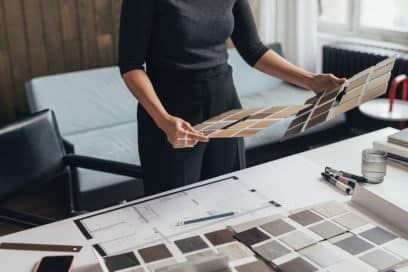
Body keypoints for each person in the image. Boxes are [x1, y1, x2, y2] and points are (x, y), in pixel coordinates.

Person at [119, 0, 345, 196]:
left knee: (228, 198)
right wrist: (163, 120)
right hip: (171, 113)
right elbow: (131, 66)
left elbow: (253, 48)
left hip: (225, 106)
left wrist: (310, 80)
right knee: (171, 212)